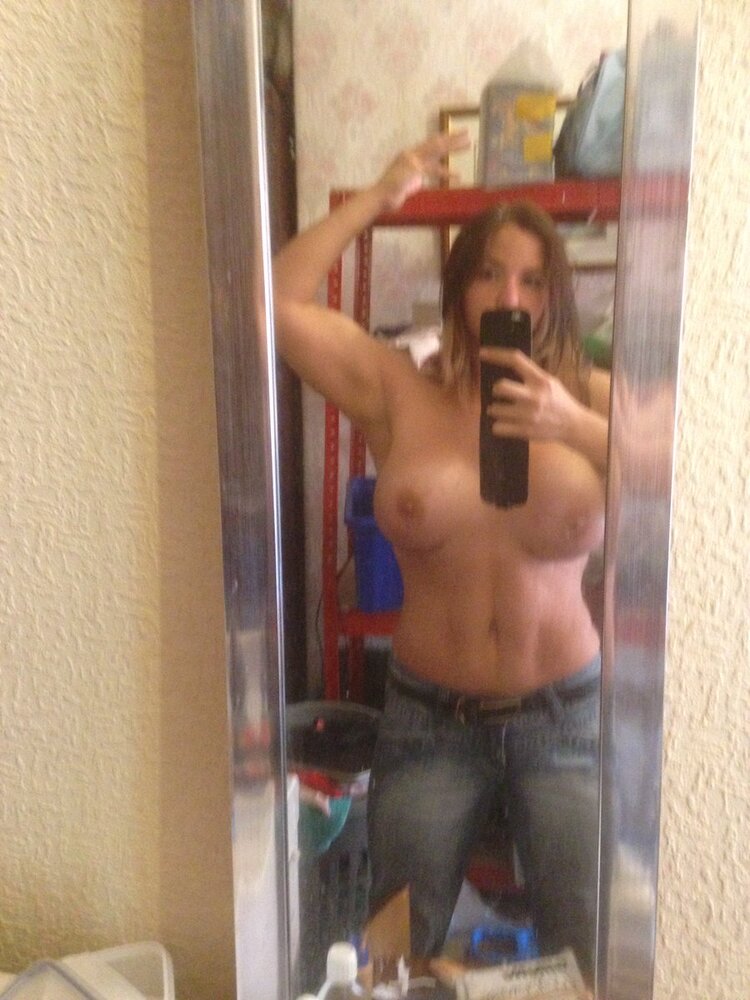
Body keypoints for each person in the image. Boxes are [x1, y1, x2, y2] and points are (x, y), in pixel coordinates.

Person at [273, 133, 610, 980]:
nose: (510, 296)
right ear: (460, 287)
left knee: (590, 957)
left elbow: (705, 474)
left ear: (556, 294)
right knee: (394, 955)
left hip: (567, 720)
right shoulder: (399, 389)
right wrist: (377, 197)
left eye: (533, 279)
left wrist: (574, 425)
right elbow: (274, 304)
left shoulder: (593, 397)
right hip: (430, 723)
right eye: (490, 273)